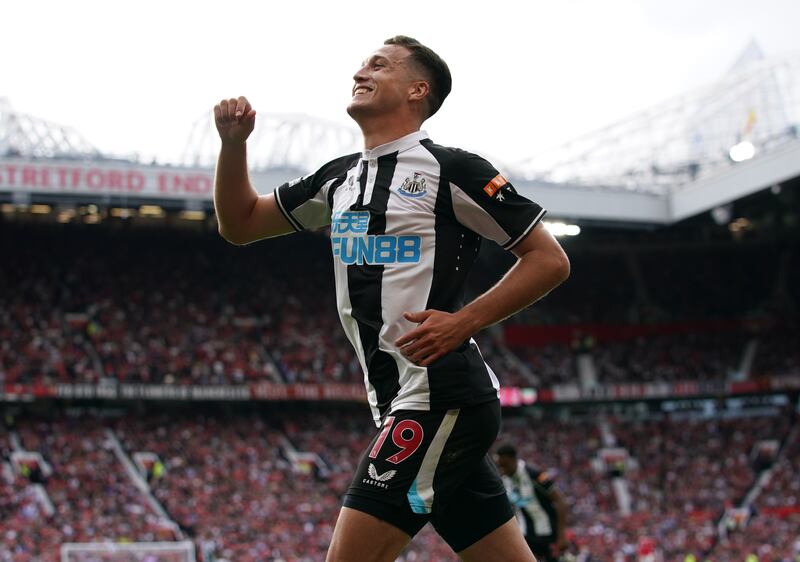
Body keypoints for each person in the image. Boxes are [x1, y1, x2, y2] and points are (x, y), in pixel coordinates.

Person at [213, 35, 570, 562]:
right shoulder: (338, 179)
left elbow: (549, 259)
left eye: (380, 65)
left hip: (438, 396)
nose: (362, 71)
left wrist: (462, 322)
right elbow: (239, 224)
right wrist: (234, 143)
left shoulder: (452, 169)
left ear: (417, 90)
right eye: (362, 63)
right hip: (399, 398)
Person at [495, 444, 569, 562]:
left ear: (513, 459)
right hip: (526, 535)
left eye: (505, 465)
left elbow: (560, 500)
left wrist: (562, 535)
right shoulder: (505, 480)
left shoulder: (533, 474)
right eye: (499, 466)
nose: (502, 470)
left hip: (547, 534)